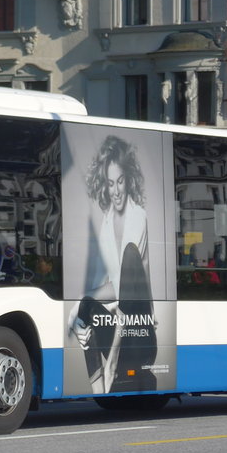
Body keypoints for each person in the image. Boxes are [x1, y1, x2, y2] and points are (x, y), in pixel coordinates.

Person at [72, 134, 155, 394]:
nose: (116, 190)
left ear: (128, 180)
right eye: (110, 184)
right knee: (84, 306)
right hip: (121, 326)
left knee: (129, 258)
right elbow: (115, 284)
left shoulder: (138, 218)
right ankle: (99, 389)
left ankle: (108, 371)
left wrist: (113, 362)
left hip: (140, 331)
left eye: (120, 181)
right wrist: (81, 304)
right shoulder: (107, 223)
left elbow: (126, 290)